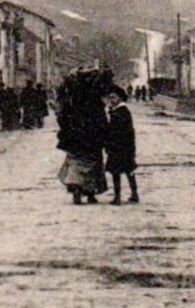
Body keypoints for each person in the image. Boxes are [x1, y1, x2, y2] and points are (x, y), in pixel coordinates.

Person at [56, 68, 111, 204]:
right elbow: (101, 117)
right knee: (94, 163)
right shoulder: (94, 97)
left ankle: (76, 188)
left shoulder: (73, 97)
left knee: (76, 161)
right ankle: (91, 192)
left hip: (75, 136)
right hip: (92, 136)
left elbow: (63, 115)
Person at [104, 85, 139, 205]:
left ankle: (118, 197)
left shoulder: (121, 112)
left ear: (120, 98)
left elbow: (118, 130)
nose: (112, 100)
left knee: (117, 172)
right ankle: (134, 194)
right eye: (110, 98)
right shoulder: (118, 111)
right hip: (124, 147)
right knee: (128, 170)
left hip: (119, 146)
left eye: (114, 97)